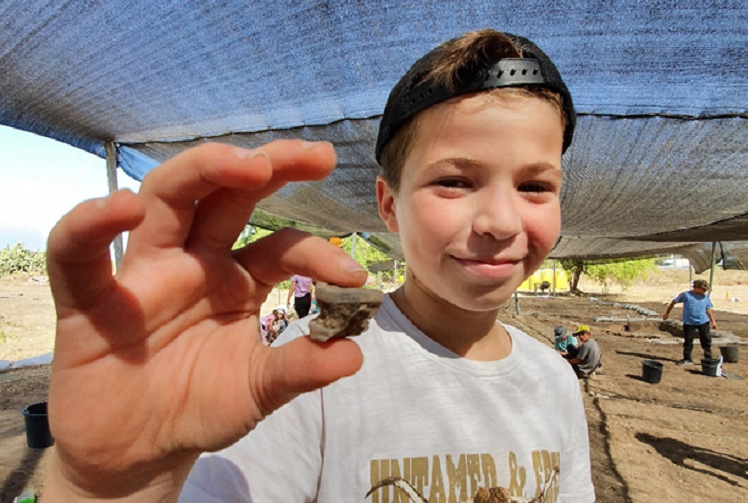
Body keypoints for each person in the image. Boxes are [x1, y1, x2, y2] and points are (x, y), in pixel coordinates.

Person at [40, 29, 594, 503]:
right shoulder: (307, 376)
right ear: (389, 205)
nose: (499, 221)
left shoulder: (554, 383)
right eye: (453, 180)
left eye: (535, 185)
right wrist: (107, 489)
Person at [662, 278, 717, 365]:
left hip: (703, 322)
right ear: (697, 287)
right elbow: (673, 302)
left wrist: (713, 321)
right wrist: (667, 313)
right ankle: (687, 358)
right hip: (689, 323)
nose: (705, 291)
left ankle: (708, 358)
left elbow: (708, 309)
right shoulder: (686, 295)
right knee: (688, 341)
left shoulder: (705, 297)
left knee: (706, 340)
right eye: (703, 289)